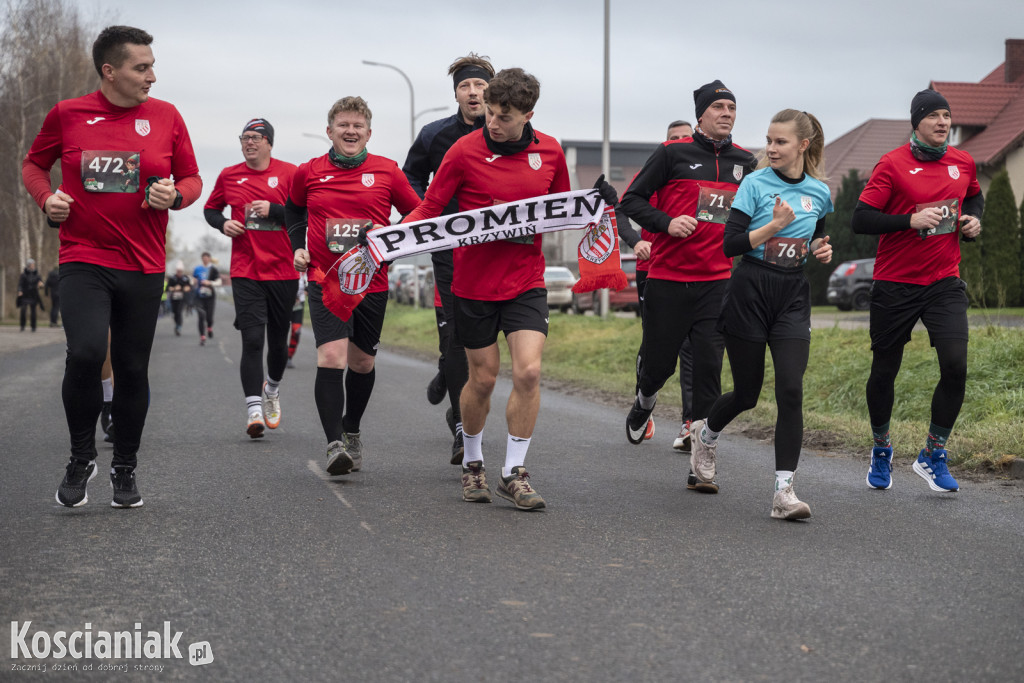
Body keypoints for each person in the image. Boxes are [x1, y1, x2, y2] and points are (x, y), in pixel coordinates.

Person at [22, 25, 201, 508]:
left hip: (143, 263)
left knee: (130, 366)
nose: (152, 77)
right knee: (83, 353)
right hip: (84, 257)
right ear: (110, 71)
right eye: (141, 68)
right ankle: (82, 459)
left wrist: (176, 195)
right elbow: (34, 165)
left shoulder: (166, 117)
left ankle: (125, 465)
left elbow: (191, 177)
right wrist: (47, 199)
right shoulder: (68, 114)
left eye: (152, 66)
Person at [403, 67, 570, 510]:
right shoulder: (463, 150)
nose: (492, 122)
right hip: (473, 284)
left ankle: (514, 472)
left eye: (504, 116)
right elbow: (430, 208)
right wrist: (388, 239)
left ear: (528, 114)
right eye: (491, 113)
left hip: (525, 280)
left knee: (529, 372)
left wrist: (599, 203)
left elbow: (563, 210)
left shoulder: (550, 152)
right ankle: (473, 462)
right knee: (483, 378)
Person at [690, 109, 834, 520]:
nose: (771, 148)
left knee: (790, 389)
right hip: (749, 290)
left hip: (792, 295)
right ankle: (706, 434)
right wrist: (771, 227)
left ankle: (783, 492)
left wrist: (822, 250)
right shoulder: (754, 184)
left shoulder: (819, 191)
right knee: (748, 393)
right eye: (769, 140)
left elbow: (817, 238)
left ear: (802, 146)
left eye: (781, 141)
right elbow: (730, 245)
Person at [619, 80, 755, 495]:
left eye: (732, 107)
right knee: (660, 363)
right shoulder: (672, 154)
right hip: (668, 277)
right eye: (718, 107)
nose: (727, 113)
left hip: (717, 281)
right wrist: (666, 223)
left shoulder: (745, 162)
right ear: (701, 115)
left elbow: (757, 210)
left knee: (710, 368)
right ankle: (644, 400)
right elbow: (631, 201)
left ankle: (701, 461)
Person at [853, 89, 983, 494]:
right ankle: (881, 447)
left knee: (956, 365)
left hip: (944, 281)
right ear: (917, 122)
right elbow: (861, 218)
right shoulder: (892, 164)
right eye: (934, 116)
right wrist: (908, 221)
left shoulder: (962, 161)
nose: (943, 123)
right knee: (884, 371)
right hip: (895, 283)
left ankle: (933, 453)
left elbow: (975, 196)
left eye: (947, 116)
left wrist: (973, 222)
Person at [288, 96, 420, 475]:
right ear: (329, 131)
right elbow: (294, 209)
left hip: (371, 282)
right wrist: (298, 246)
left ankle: (352, 430)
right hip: (324, 279)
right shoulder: (308, 172)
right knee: (332, 357)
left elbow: (417, 212)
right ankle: (333, 446)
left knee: (362, 363)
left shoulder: (388, 172)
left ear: (368, 133)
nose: (350, 131)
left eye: (357, 126)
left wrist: (389, 240)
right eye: (343, 125)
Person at [403, 53, 495, 465]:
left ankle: (447, 371)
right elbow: (410, 176)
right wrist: (429, 211)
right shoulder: (435, 135)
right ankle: (462, 425)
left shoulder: (512, 132)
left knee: (484, 335)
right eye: (465, 86)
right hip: (450, 248)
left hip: (498, 250)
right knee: (457, 333)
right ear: (456, 93)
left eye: (480, 86)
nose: (473, 93)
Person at [205, 118, 299, 439]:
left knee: (277, 342)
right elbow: (211, 209)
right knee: (252, 340)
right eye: (245, 137)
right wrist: (222, 224)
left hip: (283, 271)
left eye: (256, 137)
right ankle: (254, 410)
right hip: (246, 270)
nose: (250, 142)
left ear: (269, 143)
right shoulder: (229, 176)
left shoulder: (290, 174)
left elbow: (307, 213)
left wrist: (275, 210)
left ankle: (271, 389)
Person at [192, 251, 221, 345]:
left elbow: (219, 282)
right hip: (199, 296)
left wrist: (210, 283)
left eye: (207, 257)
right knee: (201, 315)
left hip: (210, 296)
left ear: (209, 258)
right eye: (203, 257)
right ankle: (202, 336)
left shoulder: (213, 269)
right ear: (202, 259)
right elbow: (193, 280)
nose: (205, 259)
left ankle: (209, 327)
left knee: (209, 316)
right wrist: (193, 283)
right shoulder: (197, 269)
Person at [17, 258, 44, 332]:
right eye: (31, 264)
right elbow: (20, 284)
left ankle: (33, 327)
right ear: (28, 265)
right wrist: (20, 291)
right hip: (25, 295)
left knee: (33, 312)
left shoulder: (37, 275)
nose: (33, 266)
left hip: (33, 295)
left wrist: (41, 285)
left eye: (33, 264)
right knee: (23, 310)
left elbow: (41, 284)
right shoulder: (23, 275)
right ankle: (22, 326)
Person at [287, 273, 307, 369]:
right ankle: (279, 356)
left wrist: (307, 289)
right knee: (280, 330)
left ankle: (289, 357)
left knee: (296, 330)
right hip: (285, 300)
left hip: (299, 302)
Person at [165, 262, 191, 335]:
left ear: (182, 271)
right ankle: (177, 324)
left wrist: (184, 288)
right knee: (175, 313)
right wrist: (174, 288)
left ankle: (179, 327)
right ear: (176, 270)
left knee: (179, 312)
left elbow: (189, 287)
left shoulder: (185, 278)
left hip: (182, 298)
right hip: (174, 298)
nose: (179, 272)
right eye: (178, 271)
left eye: (180, 271)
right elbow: (167, 288)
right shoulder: (172, 278)